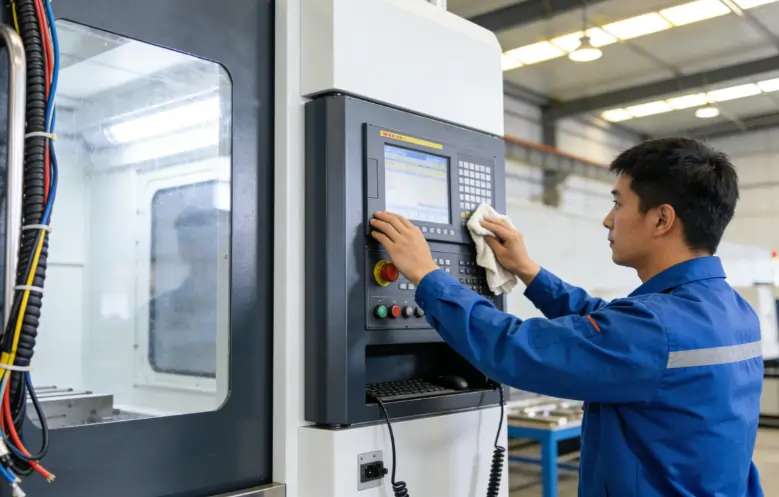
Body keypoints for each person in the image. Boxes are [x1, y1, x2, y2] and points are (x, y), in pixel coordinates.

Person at [369, 137, 764, 497]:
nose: (608, 220)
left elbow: (515, 349)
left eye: (618, 203)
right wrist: (529, 271)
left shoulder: (654, 328)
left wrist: (428, 275)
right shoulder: (734, 312)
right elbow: (606, 326)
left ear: (662, 219)